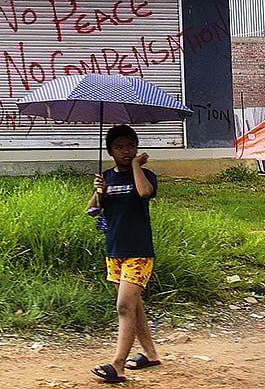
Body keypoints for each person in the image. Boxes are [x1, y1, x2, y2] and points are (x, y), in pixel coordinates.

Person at [88, 124, 162, 384]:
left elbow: (144, 193)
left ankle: (117, 366)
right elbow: (91, 210)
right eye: (119, 147)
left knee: (124, 305)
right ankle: (151, 354)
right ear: (110, 150)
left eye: (131, 145)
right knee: (134, 305)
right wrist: (98, 193)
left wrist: (136, 168)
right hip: (114, 250)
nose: (126, 151)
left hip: (138, 250)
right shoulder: (106, 177)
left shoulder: (145, 174)